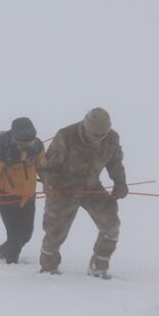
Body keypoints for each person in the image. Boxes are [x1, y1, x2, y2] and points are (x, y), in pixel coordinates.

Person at [38, 108, 128, 277]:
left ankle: (99, 266)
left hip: (91, 188)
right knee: (54, 231)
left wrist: (120, 182)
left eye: (102, 134)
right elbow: (47, 168)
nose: (99, 138)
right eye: (95, 134)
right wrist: (52, 186)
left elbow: (115, 162)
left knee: (111, 224)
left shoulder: (112, 139)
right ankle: (48, 268)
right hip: (63, 189)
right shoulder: (66, 136)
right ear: (86, 127)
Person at [0, 117, 45, 264]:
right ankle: (11, 268)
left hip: (29, 196)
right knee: (15, 237)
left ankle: (3, 250)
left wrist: (51, 184)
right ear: (16, 138)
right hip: (7, 198)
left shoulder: (37, 146)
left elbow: (43, 169)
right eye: (25, 142)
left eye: (32, 141)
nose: (29, 145)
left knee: (26, 235)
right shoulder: (2, 151)